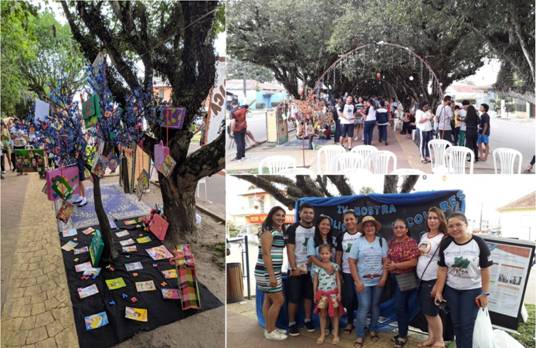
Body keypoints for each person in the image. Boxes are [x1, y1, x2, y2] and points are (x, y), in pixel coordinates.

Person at [434, 212, 493, 348]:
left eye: (458, 225)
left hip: (471, 291)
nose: (455, 229)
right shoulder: (446, 243)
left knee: (467, 325)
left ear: (466, 225)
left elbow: (485, 270)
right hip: (452, 290)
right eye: (451, 226)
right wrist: (438, 291)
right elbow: (442, 269)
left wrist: (485, 293)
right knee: (456, 323)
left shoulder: (478, 243)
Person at [348, 216, 388, 348]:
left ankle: (373, 329)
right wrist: (357, 281)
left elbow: (386, 261)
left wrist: (383, 278)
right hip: (362, 282)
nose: (369, 228)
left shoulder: (382, 241)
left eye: (372, 225)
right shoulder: (358, 242)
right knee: (364, 306)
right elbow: (351, 262)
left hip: (378, 281)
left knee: (375, 305)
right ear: (363, 228)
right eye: (366, 226)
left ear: (375, 227)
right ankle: (360, 335)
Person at [385, 219, 420, 348]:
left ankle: (402, 336)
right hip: (393, 278)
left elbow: (413, 262)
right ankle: (402, 332)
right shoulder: (391, 242)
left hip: (406, 278)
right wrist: (388, 265)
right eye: (396, 227)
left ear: (406, 229)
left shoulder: (411, 242)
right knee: (399, 307)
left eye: (401, 227)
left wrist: (395, 265)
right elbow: (388, 258)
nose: (398, 229)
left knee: (400, 307)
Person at [254, 206, 288, 341]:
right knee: (279, 300)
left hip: (273, 271)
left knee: (269, 299)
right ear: (271, 216)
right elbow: (266, 254)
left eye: (283, 216)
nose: (281, 218)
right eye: (277, 215)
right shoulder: (268, 233)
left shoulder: (277, 231)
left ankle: (270, 327)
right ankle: (270, 331)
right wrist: (272, 275)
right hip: (267, 272)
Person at [416, 207, 447, 348]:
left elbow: (445, 265)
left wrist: (438, 286)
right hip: (422, 279)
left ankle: (439, 340)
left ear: (441, 220)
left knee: (432, 313)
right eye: (430, 218)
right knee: (427, 312)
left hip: (433, 280)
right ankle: (431, 338)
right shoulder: (424, 236)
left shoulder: (444, 238)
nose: (432, 220)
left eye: (435, 218)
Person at [285, 203, 316, 336]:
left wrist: (308, 265)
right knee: (294, 297)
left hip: (310, 269)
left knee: (309, 296)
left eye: (311, 213)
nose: (308, 215)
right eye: (305, 212)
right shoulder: (293, 228)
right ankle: (292, 323)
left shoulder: (316, 229)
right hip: (295, 269)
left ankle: (308, 320)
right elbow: (290, 249)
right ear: (300, 213)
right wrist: (294, 268)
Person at [337, 210, 362, 335]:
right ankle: (350, 322)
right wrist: (339, 270)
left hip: (362, 273)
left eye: (351, 219)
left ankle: (362, 322)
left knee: (362, 299)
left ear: (356, 220)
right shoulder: (341, 236)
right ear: (344, 222)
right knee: (350, 298)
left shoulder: (362, 234)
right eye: (346, 219)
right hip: (347, 272)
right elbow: (339, 255)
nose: (349, 221)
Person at [312, 244, 343, 345]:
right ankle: (322, 334)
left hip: (333, 294)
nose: (325, 255)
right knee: (322, 315)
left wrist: (339, 293)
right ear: (319, 254)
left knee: (335, 315)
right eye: (322, 253)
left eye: (327, 253)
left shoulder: (335, 266)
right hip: (322, 295)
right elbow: (315, 281)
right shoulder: (317, 266)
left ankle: (335, 335)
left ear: (331, 254)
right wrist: (314, 294)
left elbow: (338, 280)